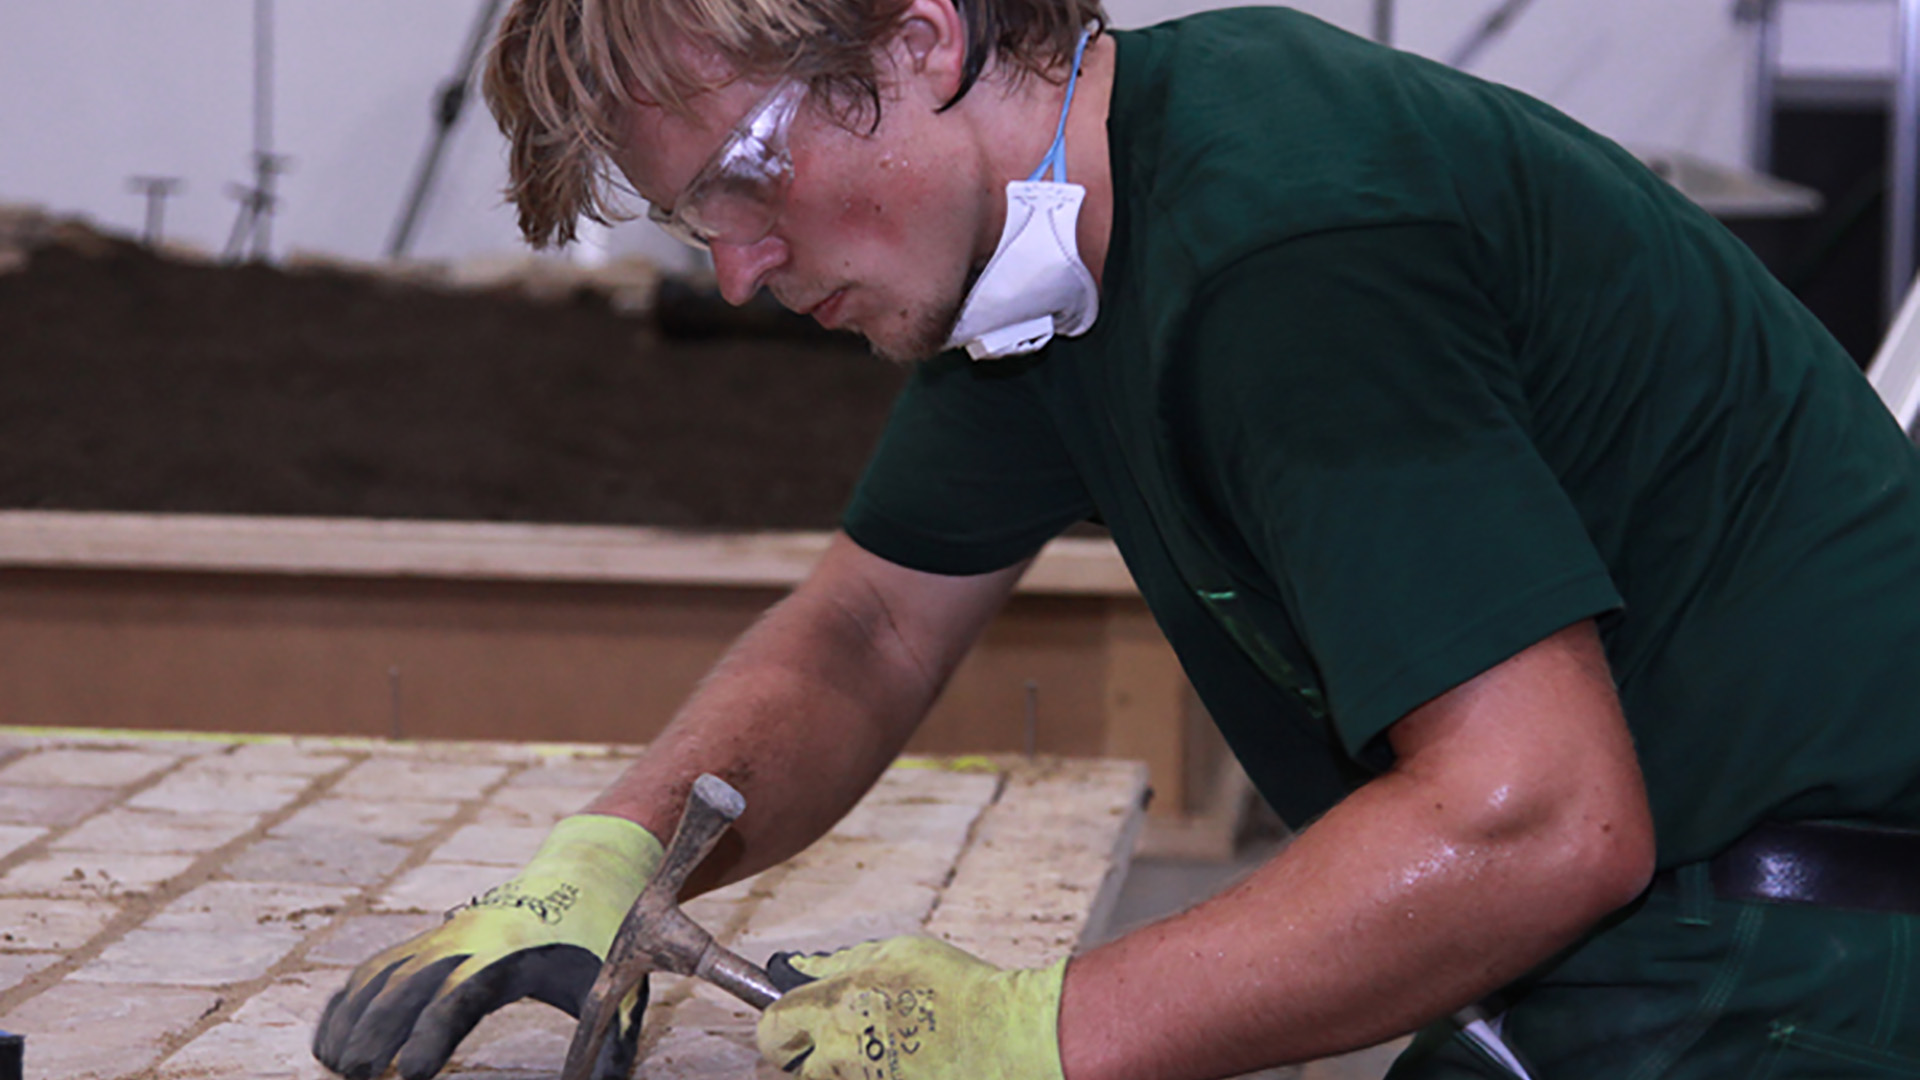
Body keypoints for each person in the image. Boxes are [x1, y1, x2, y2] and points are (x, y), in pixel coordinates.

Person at [311, 0, 1920, 1077]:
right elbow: (868, 627)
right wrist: (603, 860)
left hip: (1810, 980)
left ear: (922, 33)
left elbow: (1537, 822)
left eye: (748, 180)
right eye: (694, 222)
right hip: (1679, 953)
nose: (736, 271)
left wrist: (1034, 1030)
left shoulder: (1288, 241)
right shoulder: (1054, 268)